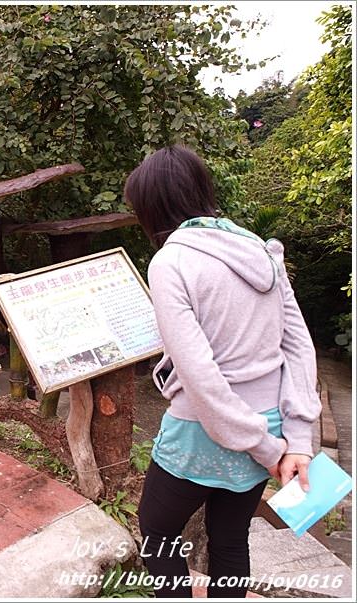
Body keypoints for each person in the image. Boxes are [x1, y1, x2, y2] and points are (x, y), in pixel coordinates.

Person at [124, 145, 321, 598]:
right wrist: (294, 441)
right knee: (231, 538)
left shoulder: (170, 263)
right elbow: (297, 344)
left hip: (204, 432)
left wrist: (268, 448)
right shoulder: (261, 251)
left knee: (157, 533)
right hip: (268, 424)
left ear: (151, 208)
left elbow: (200, 375)